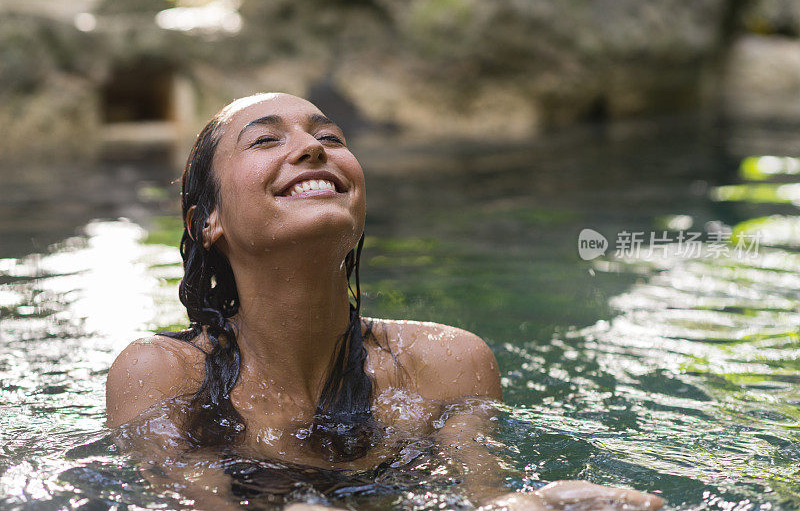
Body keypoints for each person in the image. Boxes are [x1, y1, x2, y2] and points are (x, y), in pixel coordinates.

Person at [106, 92, 663, 510]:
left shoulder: (446, 364)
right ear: (208, 221)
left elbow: (478, 495)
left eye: (330, 138)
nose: (311, 149)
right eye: (265, 140)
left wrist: (539, 504)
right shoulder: (162, 377)